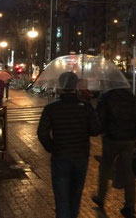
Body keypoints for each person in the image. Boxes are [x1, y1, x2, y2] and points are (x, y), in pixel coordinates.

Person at [37, 72, 100, 218]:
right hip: (81, 156)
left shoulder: (51, 108)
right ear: (76, 85)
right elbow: (96, 130)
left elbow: (42, 133)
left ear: (60, 85)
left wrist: (51, 147)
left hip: (60, 156)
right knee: (75, 195)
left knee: (61, 196)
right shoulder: (85, 107)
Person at [92, 87, 136, 218]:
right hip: (129, 139)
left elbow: (100, 118)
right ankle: (129, 206)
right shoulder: (130, 96)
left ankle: (101, 197)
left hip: (111, 139)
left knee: (105, 168)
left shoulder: (105, 96)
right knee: (128, 172)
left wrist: (102, 132)